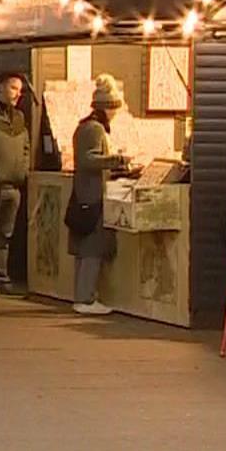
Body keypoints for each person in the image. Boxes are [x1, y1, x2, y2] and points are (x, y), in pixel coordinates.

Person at [70, 75, 131, 315]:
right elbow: (88, 160)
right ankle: (85, 299)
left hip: (84, 194)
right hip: (92, 195)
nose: (115, 114)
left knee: (84, 249)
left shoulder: (85, 126)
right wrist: (117, 159)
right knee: (92, 248)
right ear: (107, 108)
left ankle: (82, 296)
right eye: (114, 109)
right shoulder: (94, 129)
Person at [0, 72, 30, 297]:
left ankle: (1, 277)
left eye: (20, 90)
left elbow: (26, 147)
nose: (17, 94)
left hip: (14, 186)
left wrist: (24, 169)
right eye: (13, 88)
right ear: (0, 87)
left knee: (5, 235)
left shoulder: (20, 117)